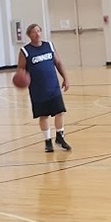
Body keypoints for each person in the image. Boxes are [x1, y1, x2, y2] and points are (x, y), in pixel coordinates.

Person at [16, 24, 71, 152]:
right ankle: (47, 141)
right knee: (43, 115)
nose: (38, 34)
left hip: (53, 86)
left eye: (39, 31)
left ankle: (60, 137)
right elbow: (20, 68)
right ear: (29, 35)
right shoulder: (25, 51)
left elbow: (58, 62)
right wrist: (21, 77)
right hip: (38, 89)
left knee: (59, 112)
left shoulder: (49, 46)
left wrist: (65, 78)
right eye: (34, 32)